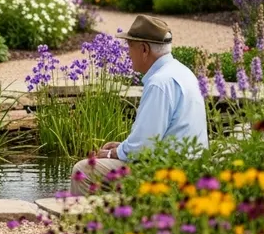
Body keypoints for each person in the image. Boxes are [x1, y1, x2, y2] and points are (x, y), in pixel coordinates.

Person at [70, 14, 208, 195]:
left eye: (130, 46)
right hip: (192, 167)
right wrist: (121, 148)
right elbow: (153, 138)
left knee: (84, 170)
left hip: (169, 173)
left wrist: (113, 154)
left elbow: (144, 146)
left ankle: (90, 222)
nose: (128, 53)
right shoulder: (182, 71)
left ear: (144, 49)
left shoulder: (160, 83)